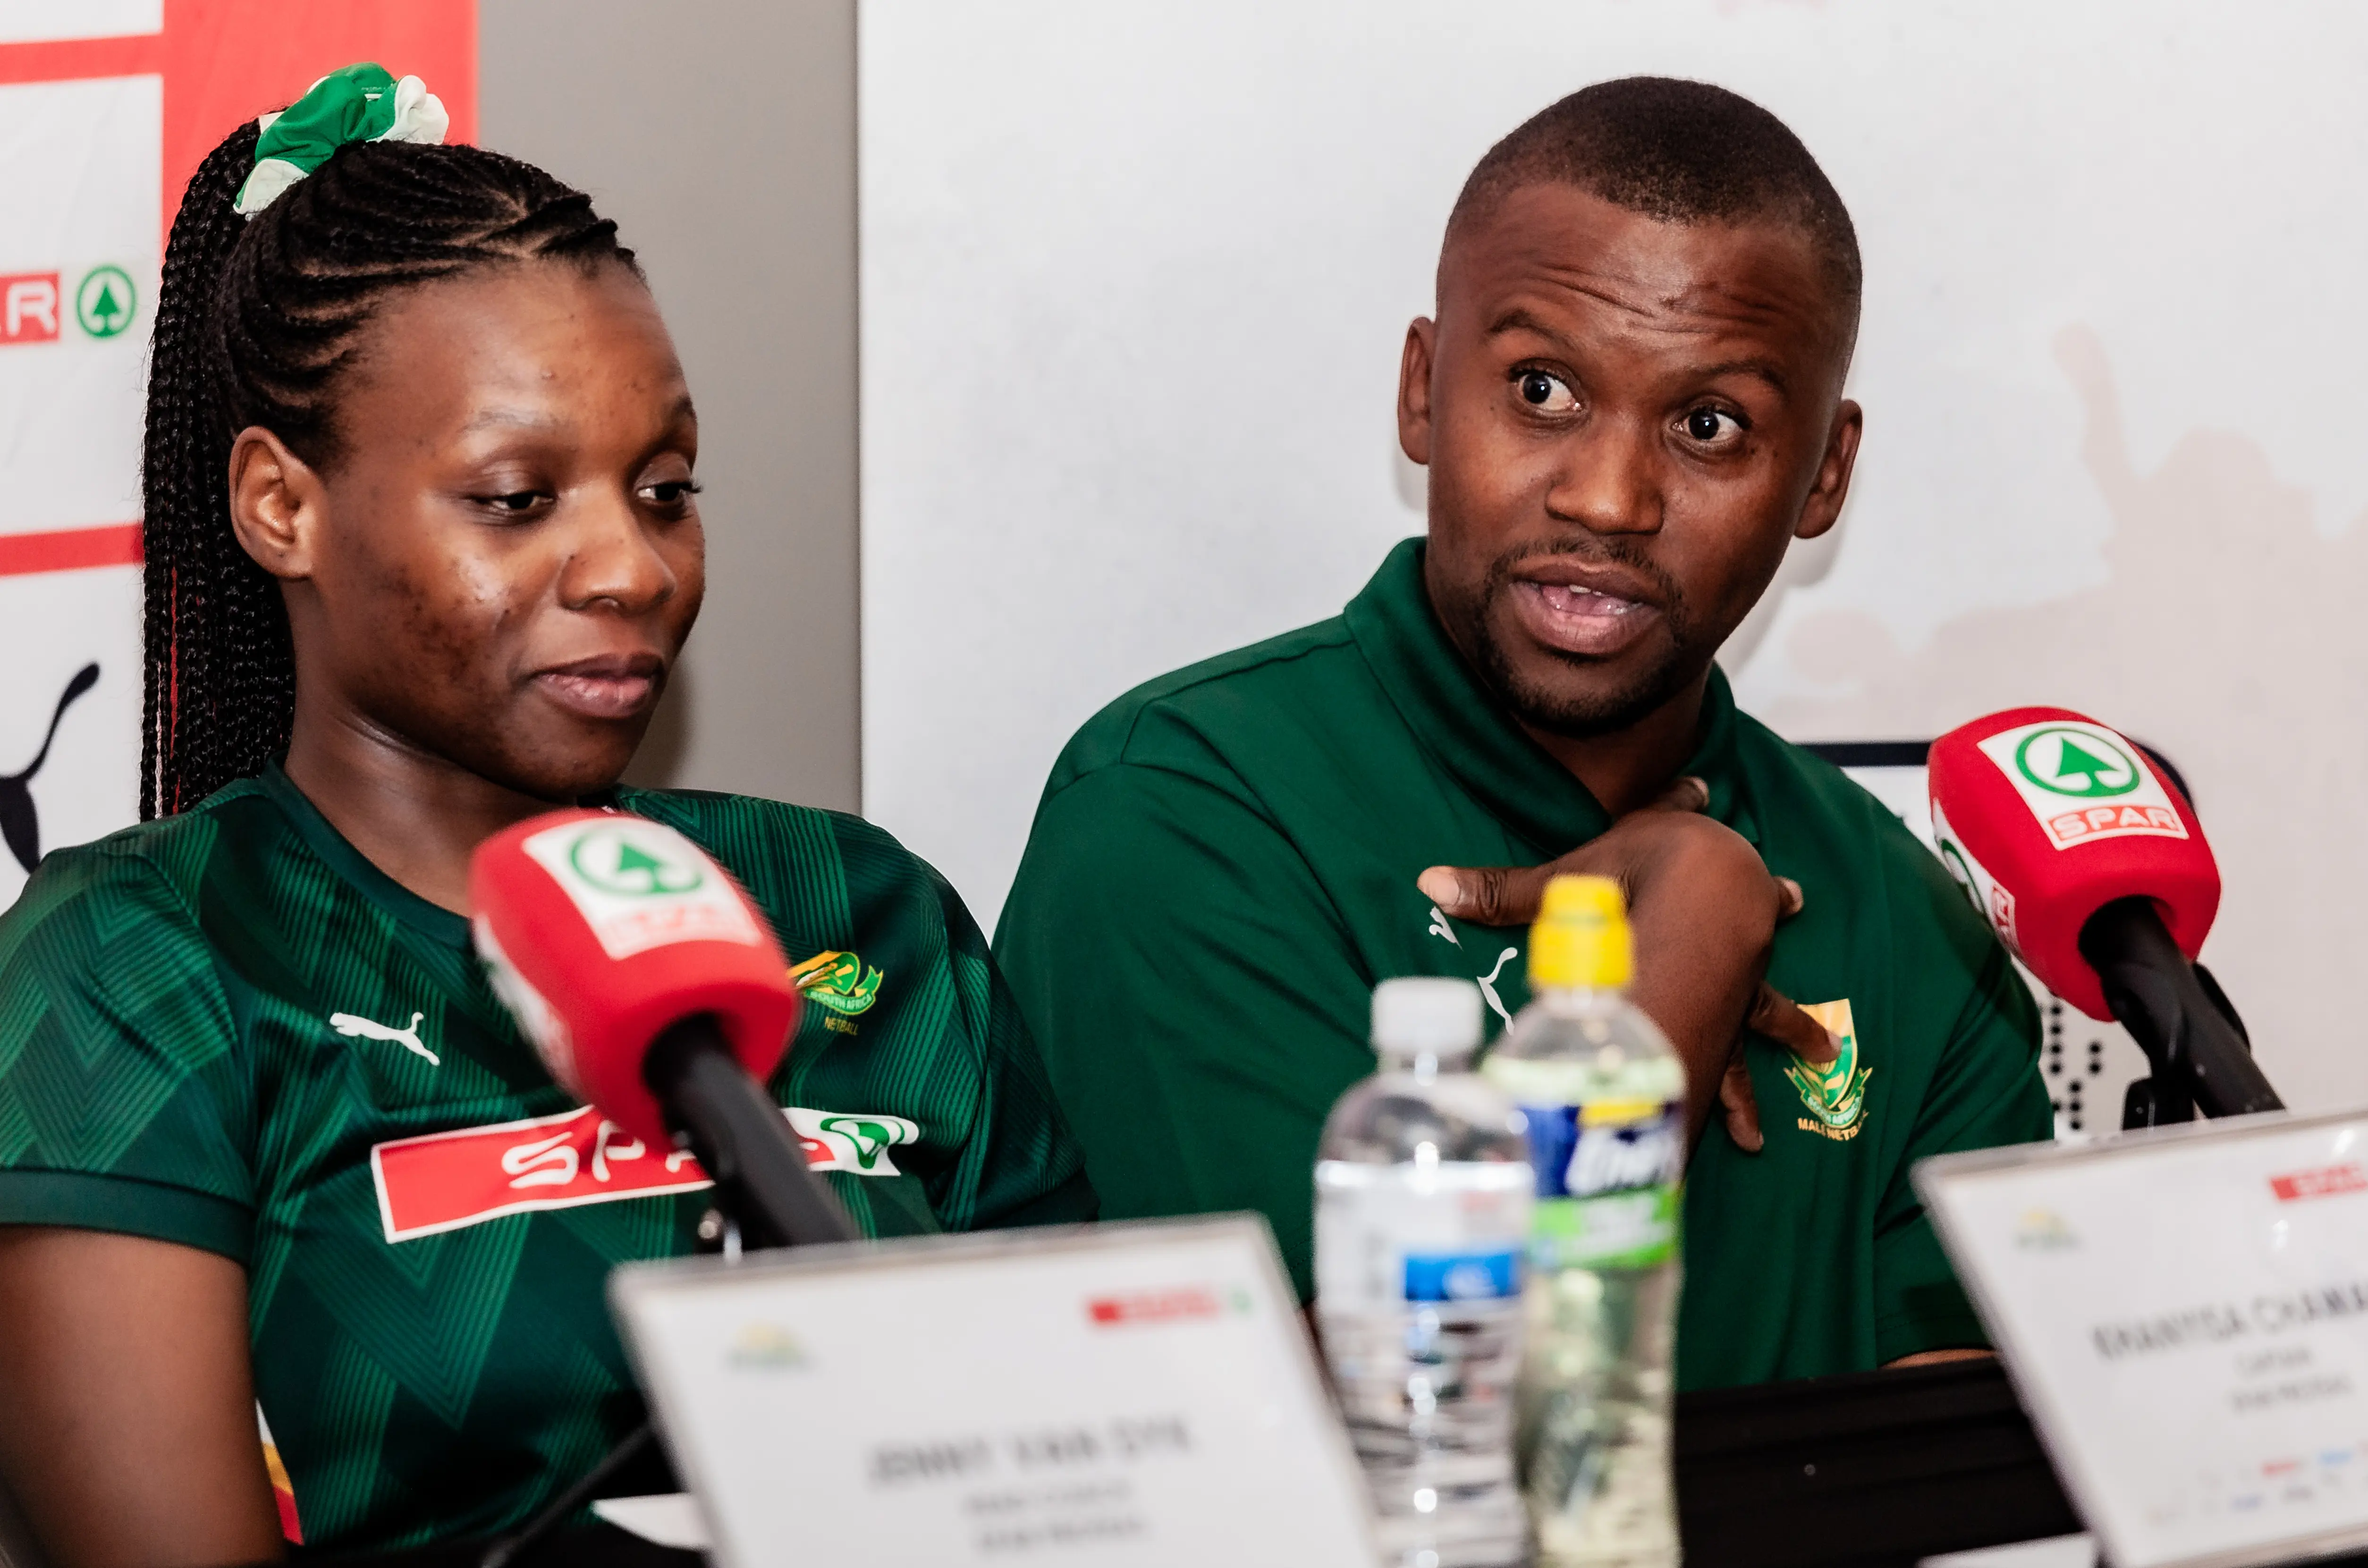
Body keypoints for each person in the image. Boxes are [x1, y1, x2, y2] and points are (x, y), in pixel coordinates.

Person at [0, 66, 1091, 1566]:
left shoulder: (856, 905)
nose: (632, 569)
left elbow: (1086, 1471)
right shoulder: (139, 966)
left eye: (663, 487)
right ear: (280, 506)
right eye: (518, 498)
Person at [997, 77, 2051, 1391]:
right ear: (1423, 394)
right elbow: (1394, 1423)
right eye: (1543, 389)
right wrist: (1671, 983)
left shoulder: (1910, 925)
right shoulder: (1182, 815)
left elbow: (1963, 1491)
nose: (1609, 498)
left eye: (1708, 424)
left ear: (1821, 476)